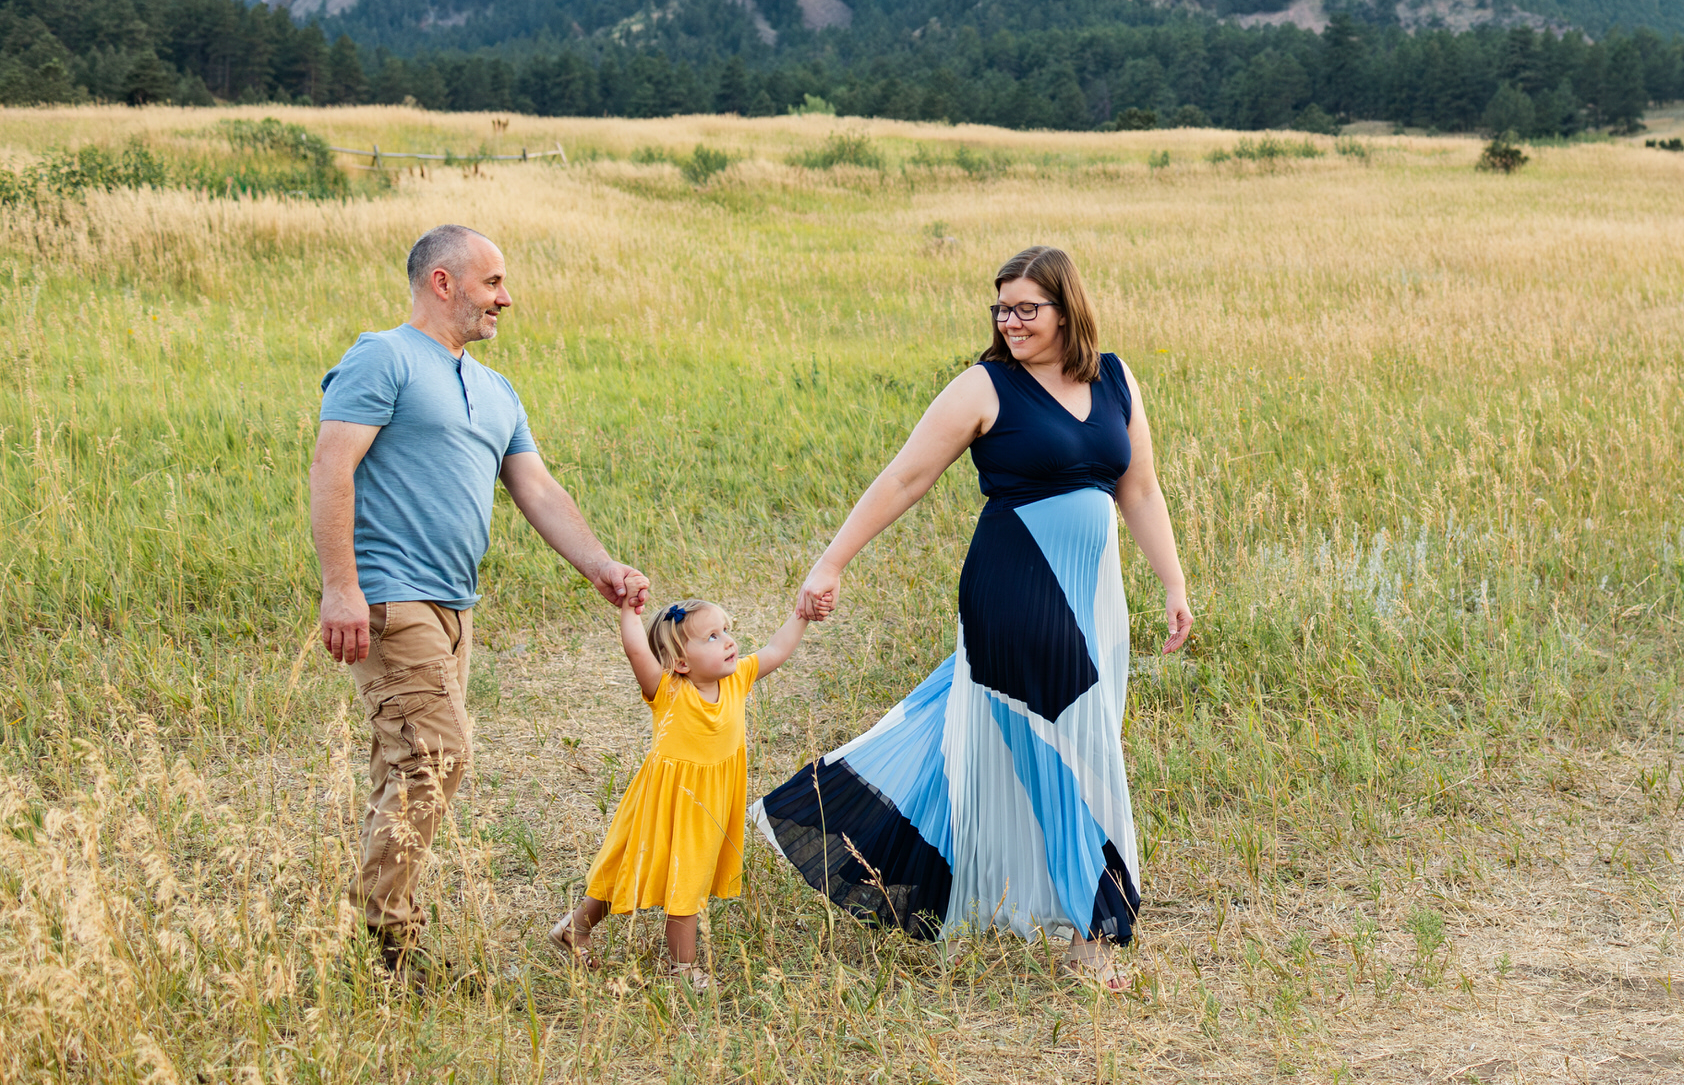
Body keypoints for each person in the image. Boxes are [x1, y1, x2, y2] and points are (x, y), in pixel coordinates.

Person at [753, 245, 1193, 989]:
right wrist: (831, 560)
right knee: (1069, 744)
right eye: (1002, 306)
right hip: (1015, 587)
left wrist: (1174, 585)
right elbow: (906, 476)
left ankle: (895, 847)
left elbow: (1140, 490)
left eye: (1027, 307)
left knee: (1027, 730)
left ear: (1068, 309)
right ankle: (1095, 925)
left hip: (1097, 601)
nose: (1009, 319)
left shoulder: (1115, 378)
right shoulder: (984, 386)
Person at [311, 223, 649, 979]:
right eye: (492, 281)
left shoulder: (495, 388)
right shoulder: (383, 356)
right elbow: (332, 466)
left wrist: (599, 563)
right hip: (391, 596)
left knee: (407, 764)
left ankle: (375, 931)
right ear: (443, 282)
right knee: (436, 756)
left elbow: (536, 486)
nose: (506, 295)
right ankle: (390, 945)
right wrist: (341, 585)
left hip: (455, 606)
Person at [549, 594, 813, 985]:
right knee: (642, 873)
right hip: (665, 803)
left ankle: (576, 929)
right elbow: (637, 650)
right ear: (681, 662)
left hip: (707, 804)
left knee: (682, 878)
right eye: (711, 637)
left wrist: (801, 615)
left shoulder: (738, 678)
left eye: (726, 631)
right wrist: (628, 611)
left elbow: (776, 648)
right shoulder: (669, 691)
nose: (727, 641)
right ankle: (681, 968)